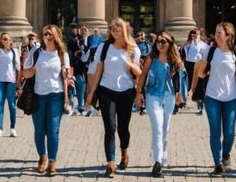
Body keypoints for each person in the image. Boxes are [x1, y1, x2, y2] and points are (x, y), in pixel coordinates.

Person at [87, 17, 143, 177]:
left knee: (123, 128)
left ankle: (124, 151)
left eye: (118, 27)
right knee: (110, 127)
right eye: (112, 27)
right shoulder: (104, 47)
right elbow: (97, 70)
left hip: (126, 92)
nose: (115, 29)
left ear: (125, 29)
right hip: (106, 91)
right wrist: (91, 92)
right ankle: (110, 163)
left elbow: (139, 72)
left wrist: (130, 64)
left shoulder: (133, 49)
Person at [191, 22, 236, 176]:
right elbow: (199, 69)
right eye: (215, 32)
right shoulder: (209, 51)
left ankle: (225, 155)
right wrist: (197, 81)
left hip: (232, 98)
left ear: (228, 35)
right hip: (212, 96)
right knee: (215, 132)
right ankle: (217, 164)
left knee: (229, 132)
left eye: (219, 33)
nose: (216, 35)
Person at [22, 24, 73, 177]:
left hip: (56, 96)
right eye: (45, 34)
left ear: (56, 36)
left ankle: (52, 162)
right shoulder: (35, 52)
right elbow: (25, 73)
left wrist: (66, 97)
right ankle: (42, 155)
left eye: (50, 34)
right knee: (39, 131)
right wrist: (33, 70)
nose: (47, 36)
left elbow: (65, 77)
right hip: (38, 95)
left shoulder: (62, 54)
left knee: (53, 130)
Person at [135, 31, 186, 178]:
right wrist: (139, 93)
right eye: (158, 41)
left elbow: (181, 80)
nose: (160, 44)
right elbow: (143, 74)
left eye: (163, 41)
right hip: (153, 95)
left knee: (165, 128)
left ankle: (164, 155)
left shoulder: (175, 59)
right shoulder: (152, 57)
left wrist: (179, 95)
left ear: (170, 43)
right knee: (157, 127)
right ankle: (157, 163)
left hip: (169, 96)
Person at [0, 32, 20, 138]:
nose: (7, 41)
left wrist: (18, 82)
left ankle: (12, 128)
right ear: (1, 41)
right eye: (5, 39)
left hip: (11, 81)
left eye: (9, 39)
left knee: (12, 105)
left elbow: (18, 67)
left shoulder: (15, 52)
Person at [182, 29, 209, 115]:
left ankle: (200, 103)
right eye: (193, 34)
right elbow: (184, 55)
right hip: (188, 64)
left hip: (198, 65)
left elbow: (205, 56)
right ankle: (186, 100)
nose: (195, 36)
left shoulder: (203, 45)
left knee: (198, 84)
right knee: (189, 83)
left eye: (197, 34)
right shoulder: (187, 45)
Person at [71, 25, 90, 114]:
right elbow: (71, 51)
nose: (83, 31)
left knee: (87, 87)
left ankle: (86, 106)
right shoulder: (75, 40)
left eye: (85, 29)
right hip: (78, 66)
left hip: (89, 66)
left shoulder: (91, 39)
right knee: (80, 84)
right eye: (81, 30)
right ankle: (79, 105)